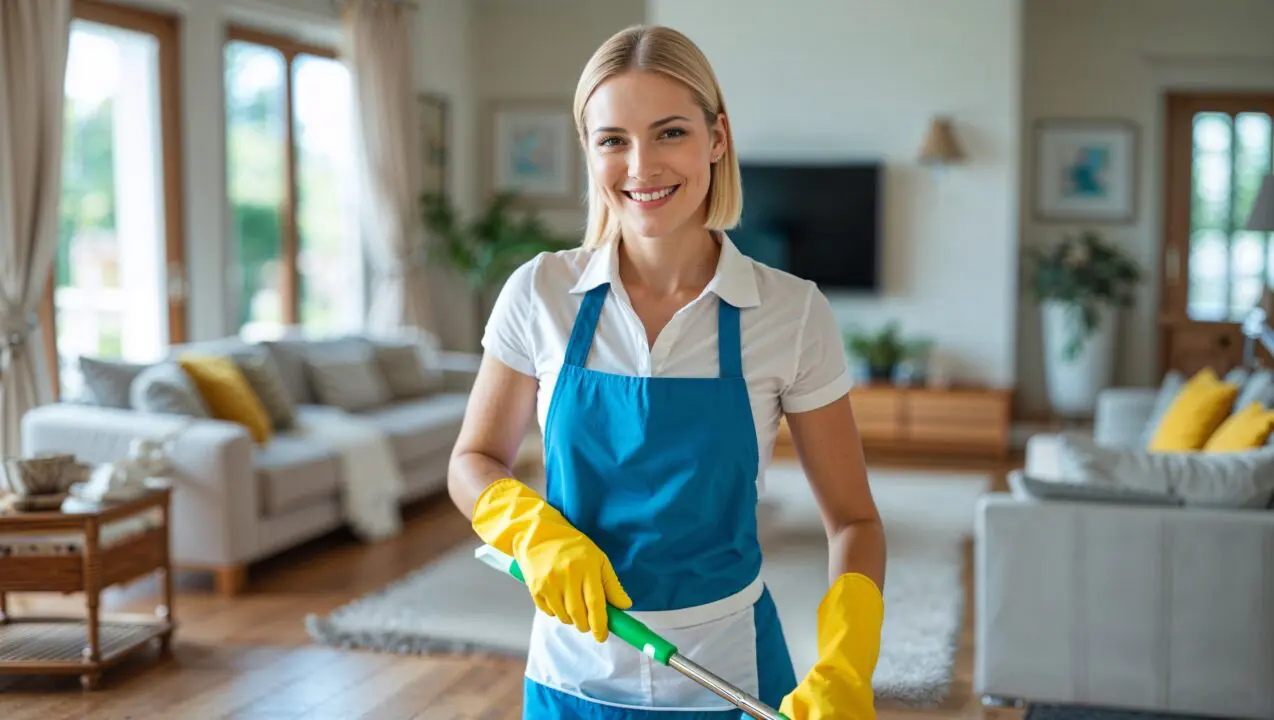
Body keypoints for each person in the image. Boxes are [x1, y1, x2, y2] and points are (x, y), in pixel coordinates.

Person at [448, 24, 886, 720]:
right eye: (613, 139)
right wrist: (531, 530)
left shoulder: (793, 313)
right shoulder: (540, 294)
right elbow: (473, 460)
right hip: (570, 675)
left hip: (733, 676)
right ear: (589, 151)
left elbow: (855, 520)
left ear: (717, 138)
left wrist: (848, 664)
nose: (641, 166)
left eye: (671, 133)